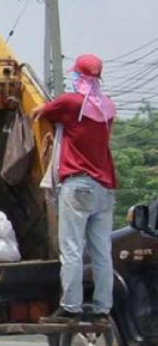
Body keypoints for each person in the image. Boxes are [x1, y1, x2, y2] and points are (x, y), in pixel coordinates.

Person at [33, 54, 117, 324]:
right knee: (102, 252)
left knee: (71, 249)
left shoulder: (70, 102)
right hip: (105, 189)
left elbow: (38, 112)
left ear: (79, 76)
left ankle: (71, 307)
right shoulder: (108, 108)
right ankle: (103, 309)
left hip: (78, 185)